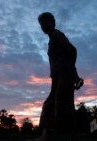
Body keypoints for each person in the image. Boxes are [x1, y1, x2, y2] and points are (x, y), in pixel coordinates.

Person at [35, 12, 84, 141]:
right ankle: (71, 136)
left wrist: (70, 74)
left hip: (63, 76)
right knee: (65, 105)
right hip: (59, 76)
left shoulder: (57, 35)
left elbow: (72, 51)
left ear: (53, 22)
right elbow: (66, 58)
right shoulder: (53, 37)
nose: (44, 25)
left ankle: (47, 136)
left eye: (47, 22)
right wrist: (75, 76)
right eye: (42, 24)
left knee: (54, 104)